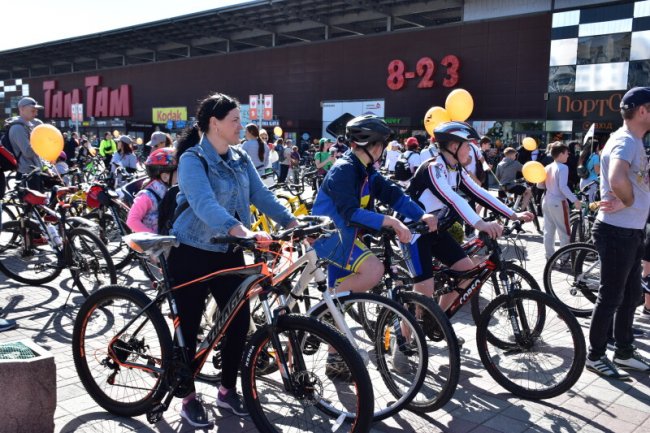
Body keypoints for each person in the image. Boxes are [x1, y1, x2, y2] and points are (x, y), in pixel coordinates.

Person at [169, 93, 297, 427]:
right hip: (192, 250)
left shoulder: (240, 157)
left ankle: (226, 391)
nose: (242, 125)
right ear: (215, 123)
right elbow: (204, 204)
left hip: (228, 251)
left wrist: (292, 222)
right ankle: (187, 397)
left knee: (238, 323)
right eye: (235, 120)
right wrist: (241, 230)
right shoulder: (193, 160)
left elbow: (260, 194)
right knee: (188, 327)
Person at [311, 115, 437, 377]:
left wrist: (420, 214)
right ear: (374, 145)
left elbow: (392, 193)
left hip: (346, 238)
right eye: (382, 144)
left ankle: (334, 360)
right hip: (330, 237)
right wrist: (389, 221)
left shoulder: (365, 170)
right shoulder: (344, 169)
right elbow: (349, 212)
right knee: (372, 271)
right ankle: (325, 310)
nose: (383, 150)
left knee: (342, 297)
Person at [403, 121, 533, 312]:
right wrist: (481, 224)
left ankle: (439, 319)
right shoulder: (434, 168)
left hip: (435, 230)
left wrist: (513, 214)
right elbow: (453, 199)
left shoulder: (456, 169)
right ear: (454, 146)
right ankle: (408, 330)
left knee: (466, 271)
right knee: (424, 292)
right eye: (468, 146)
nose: (471, 151)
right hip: (414, 232)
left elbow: (479, 193)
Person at [585, 86, 650, 380]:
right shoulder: (625, 140)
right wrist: (629, 201)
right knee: (611, 296)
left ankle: (624, 351)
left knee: (632, 294)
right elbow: (616, 177)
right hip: (617, 231)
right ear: (642, 111)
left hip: (630, 231)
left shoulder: (634, 140)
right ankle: (596, 356)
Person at [537, 142, 580, 260]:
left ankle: (549, 257)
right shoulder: (563, 167)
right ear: (561, 154)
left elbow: (539, 185)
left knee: (548, 231)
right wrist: (575, 200)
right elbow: (563, 187)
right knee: (564, 231)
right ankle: (564, 258)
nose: (568, 155)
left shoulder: (547, 167)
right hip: (558, 201)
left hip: (547, 200)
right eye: (567, 153)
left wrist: (550, 184)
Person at [126, 148, 177, 234]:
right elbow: (132, 221)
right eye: (178, 173)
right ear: (165, 177)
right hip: (154, 241)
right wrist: (155, 238)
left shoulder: (168, 190)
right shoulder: (148, 196)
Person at [8, 97, 46, 191]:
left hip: (33, 172)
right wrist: (41, 142)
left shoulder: (27, 126)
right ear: (21, 109)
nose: (36, 114)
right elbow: (28, 152)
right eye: (33, 111)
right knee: (33, 201)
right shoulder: (18, 128)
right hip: (26, 174)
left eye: (36, 111)